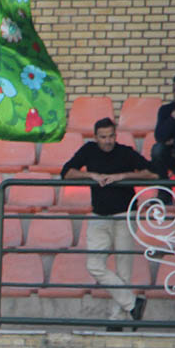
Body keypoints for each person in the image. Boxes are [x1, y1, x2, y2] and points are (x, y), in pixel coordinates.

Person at [61, 117, 158, 329]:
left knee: (124, 269)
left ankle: (117, 321)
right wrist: (92, 175)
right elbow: (66, 172)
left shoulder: (125, 151)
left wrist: (121, 176)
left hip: (124, 215)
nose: (108, 141)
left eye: (111, 136)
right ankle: (133, 304)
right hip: (99, 215)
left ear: (116, 135)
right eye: (103, 137)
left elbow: (151, 172)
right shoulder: (88, 150)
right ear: (95, 137)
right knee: (94, 265)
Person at [152, 72, 175, 179]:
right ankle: (164, 190)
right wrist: (173, 117)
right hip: (174, 157)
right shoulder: (165, 110)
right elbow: (159, 137)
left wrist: (174, 141)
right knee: (157, 149)